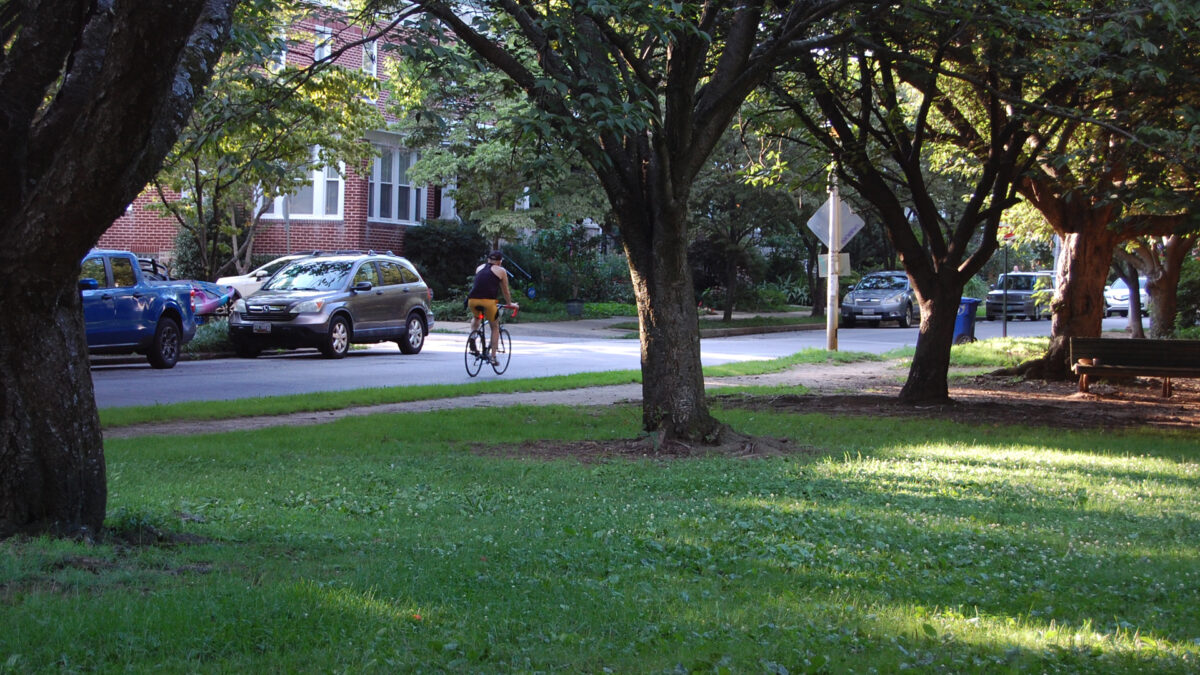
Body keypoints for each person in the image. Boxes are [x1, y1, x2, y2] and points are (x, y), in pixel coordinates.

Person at [467, 250, 518, 365]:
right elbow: (505, 291)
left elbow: (481, 284)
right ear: (500, 262)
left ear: (488, 260)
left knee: (477, 317)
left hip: (472, 301)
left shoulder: (479, 268)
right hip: (489, 303)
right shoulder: (501, 271)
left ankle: (473, 336)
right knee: (495, 327)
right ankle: (493, 357)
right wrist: (510, 303)